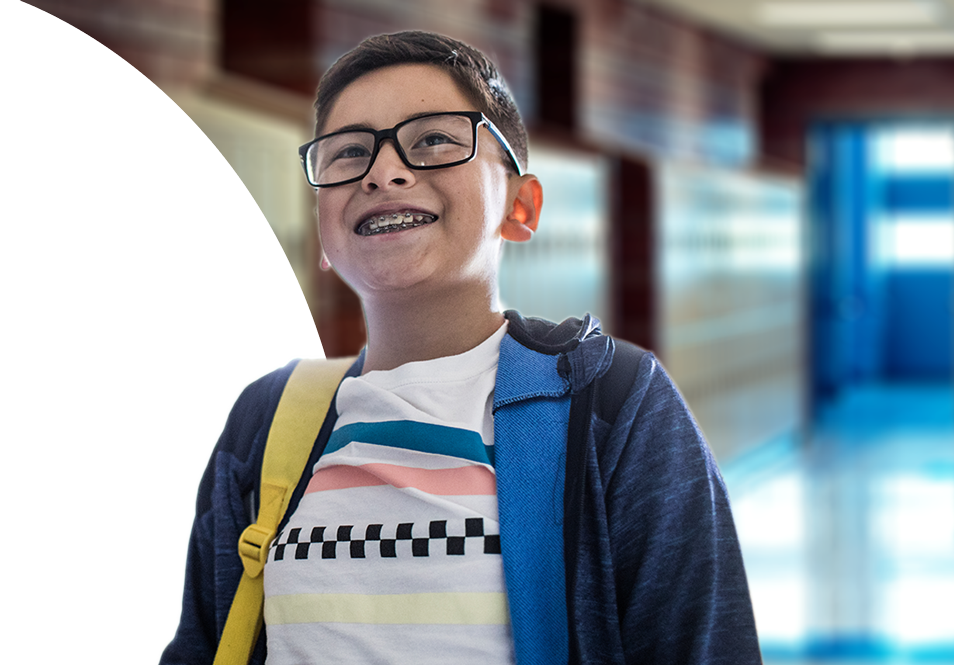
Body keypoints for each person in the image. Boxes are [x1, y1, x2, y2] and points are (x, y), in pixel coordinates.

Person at [159, 30, 762, 665]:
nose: (383, 172)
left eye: (434, 140)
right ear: (322, 232)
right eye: (347, 154)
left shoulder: (612, 402)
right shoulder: (267, 419)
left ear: (520, 205)